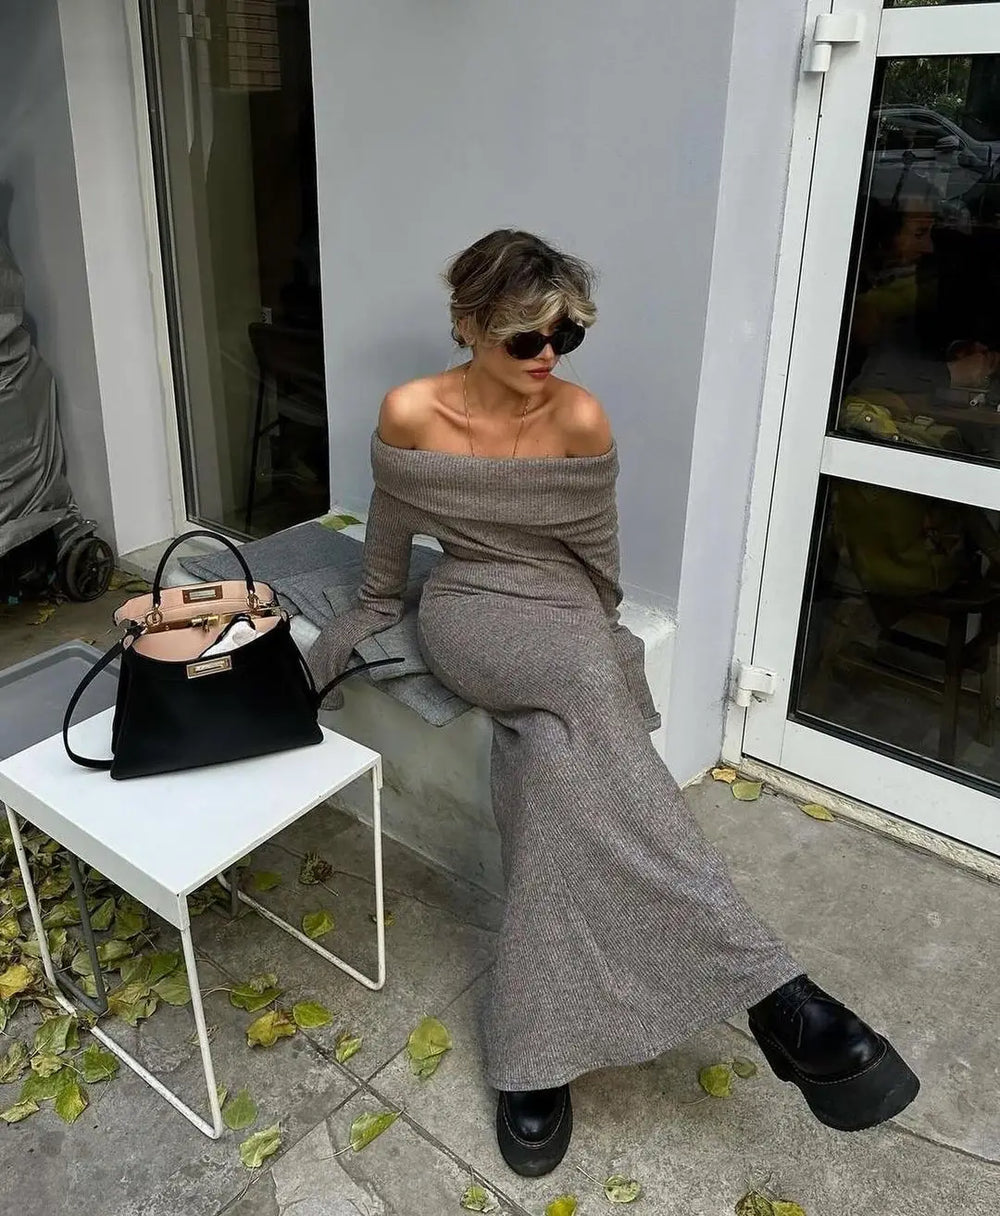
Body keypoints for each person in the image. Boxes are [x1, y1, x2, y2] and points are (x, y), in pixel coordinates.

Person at [311, 230, 920, 1176]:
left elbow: (597, 568)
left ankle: (535, 1057)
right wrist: (368, 617)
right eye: (525, 337)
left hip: (558, 612)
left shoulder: (581, 420)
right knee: (587, 687)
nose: (547, 354)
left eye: (565, 335)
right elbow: (391, 550)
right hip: (471, 608)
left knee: (556, 769)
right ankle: (778, 997)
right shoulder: (412, 412)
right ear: (468, 326)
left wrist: (590, 638)